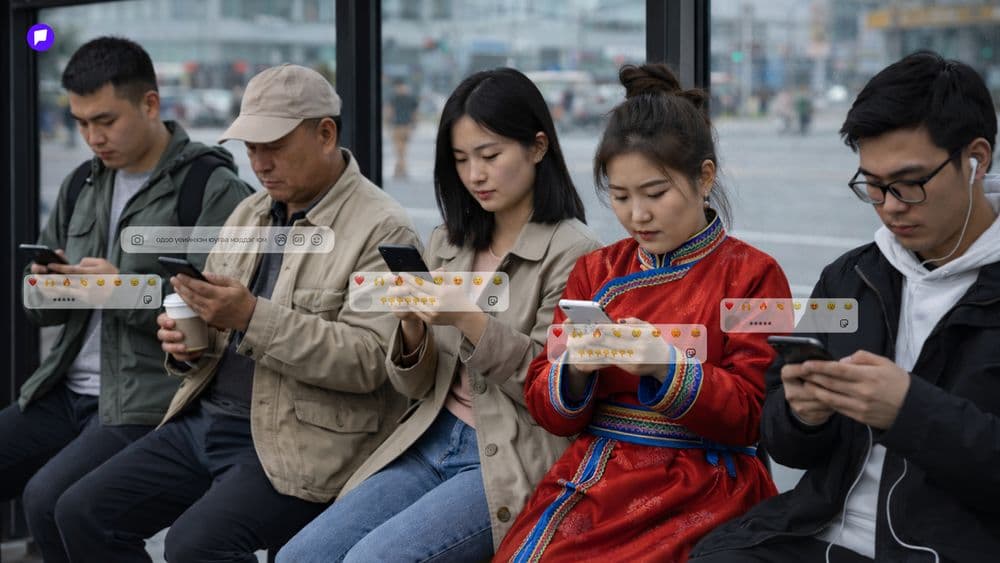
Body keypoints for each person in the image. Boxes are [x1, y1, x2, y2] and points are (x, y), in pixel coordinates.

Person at [52, 64, 421, 562]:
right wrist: (187, 343)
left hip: (303, 439)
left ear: (325, 134)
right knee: (79, 509)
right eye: (251, 148)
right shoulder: (251, 212)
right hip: (207, 416)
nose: (260, 164)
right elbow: (216, 325)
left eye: (274, 146)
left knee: (196, 544)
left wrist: (250, 317)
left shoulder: (383, 229)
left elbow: (372, 362)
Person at [277, 67, 602, 563]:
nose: (475, 175)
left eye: (490, 156)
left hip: (506, 455)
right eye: (461, 160)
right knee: (300, 556)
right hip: (428, 438)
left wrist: (468, 320)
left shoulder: (575, 253)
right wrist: (411, 325)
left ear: (538, 147)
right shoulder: (449, 242)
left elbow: (553, 393)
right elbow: (414, 387)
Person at [691, 51, 1000, 562]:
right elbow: (788, 447)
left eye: (909, 183)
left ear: (977, 159)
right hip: (816, 531)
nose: (891, 206)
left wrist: (910, 411)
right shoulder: (852, 278)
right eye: (873, 186)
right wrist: (802, 416)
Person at [492, 63, 791, 562]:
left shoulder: (753, 275)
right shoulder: (596, 270)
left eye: (655, 194)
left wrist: (665, 365)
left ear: (704, 178)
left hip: (706, 485)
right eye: (621, 196)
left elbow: (755, 416)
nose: (637, 215)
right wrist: (575, 369)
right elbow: (548, 408)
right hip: (598, 476)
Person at [0, 37, 251, 563]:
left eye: (106, 120)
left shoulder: (209, 185)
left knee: (52, 500)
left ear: (150, 104)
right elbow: (36, 307)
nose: (93, 137)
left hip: (147, 395)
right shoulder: (81, 185)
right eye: (82, 122)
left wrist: (117, 288)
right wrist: (52, 281)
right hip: (64, 387)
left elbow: (220, 310)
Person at [388, 77, 419, 178]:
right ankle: (398, 170)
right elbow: (415, 113)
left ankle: (401, 170)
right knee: (402, 150)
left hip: (397, 126)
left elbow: (390, 112)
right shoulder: (411, 98)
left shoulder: (394, 98)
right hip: (407, 126)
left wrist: (388, 124)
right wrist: (414, 125)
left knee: (399, 150)